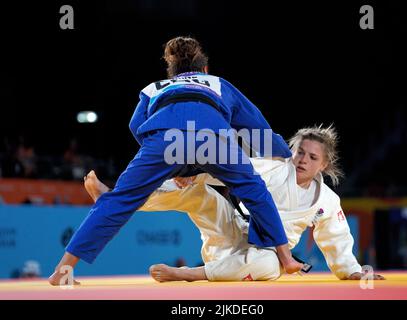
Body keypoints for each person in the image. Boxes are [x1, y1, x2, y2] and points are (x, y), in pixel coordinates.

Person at [48, 36, 301, 285]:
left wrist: (168, 163)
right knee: (255, 191)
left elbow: (136, 125)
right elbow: (255, 126)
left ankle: (62, 271)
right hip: (212, 138)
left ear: (172, 72)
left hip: (165, 139)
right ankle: (286, 259)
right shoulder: (218, 83)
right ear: (205, 69)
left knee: (118, 201)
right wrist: (284, 153)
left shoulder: (154, 88)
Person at [83, 125, 385, 281]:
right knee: (198, 194)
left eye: (312, 157)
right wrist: (194, 175)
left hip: (266, 255)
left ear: (325, 165)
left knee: (268, 266)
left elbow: (336, 239)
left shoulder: (327, 201)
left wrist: (352, 270)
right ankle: (115, 200)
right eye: (300, 152)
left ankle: (189, 274)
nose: (303, 159)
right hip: (231, 231)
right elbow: (231, 169)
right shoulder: (275, 168)